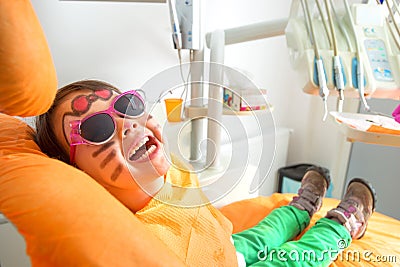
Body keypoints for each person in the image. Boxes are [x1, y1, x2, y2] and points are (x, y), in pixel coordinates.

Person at [35, 79, 376, 266]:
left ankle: (299, 211)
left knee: (264, 233)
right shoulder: (125, 239)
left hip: (228, 249)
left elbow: (210, 224)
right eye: (96, 128)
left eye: (126, 105)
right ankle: (341, 225)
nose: (127, 124)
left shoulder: (176, 175)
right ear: (76, 175)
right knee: (294, 259)